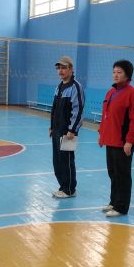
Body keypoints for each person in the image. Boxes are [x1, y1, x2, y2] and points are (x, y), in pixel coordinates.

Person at [97, 60, 134, 217]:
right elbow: (106, 116)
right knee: (113, 173)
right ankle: (114, 201)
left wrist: (130, 141)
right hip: (110, 139)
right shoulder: (110, 92)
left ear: (127, 75)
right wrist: (101, 134)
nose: (115, 75)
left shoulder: (133, 94)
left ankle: (121, 207)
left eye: (119, 72)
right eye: (114, 72)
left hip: (123, 142)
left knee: (122, 174)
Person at [49, 55, 84, 199]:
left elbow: (78, 110)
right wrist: (51, 127)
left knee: (67, 160)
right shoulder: (59, 87)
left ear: (71, 69)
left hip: (68, 132)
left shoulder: (76, 87)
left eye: (64, 68)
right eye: (58, 68)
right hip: (57, 130)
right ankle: (63, 187)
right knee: (57, 161)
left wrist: (73, 130)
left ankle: (69, 189)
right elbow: (54, 108)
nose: (60, 71)